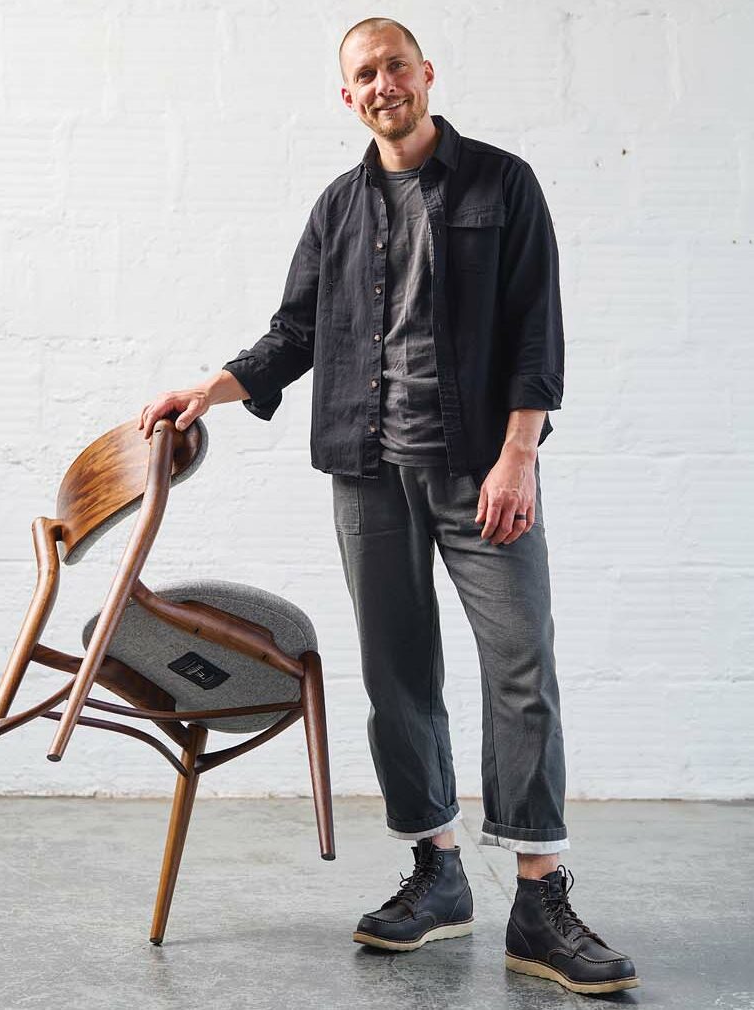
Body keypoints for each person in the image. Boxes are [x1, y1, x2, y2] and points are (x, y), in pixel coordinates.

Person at [138, 16, 639, 996]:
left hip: (480, 469)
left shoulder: (503, 184)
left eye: (394, 67)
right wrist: (208, 390)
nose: (381, 84)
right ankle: (437, 871)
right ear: (348, 96)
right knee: (398, 674)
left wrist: (518, 456)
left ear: (426, 74)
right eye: (362, 75)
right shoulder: (337, 207)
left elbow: (539, 332)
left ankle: (539, 895)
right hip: (366, 469)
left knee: (520, 664)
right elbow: (293, 335)